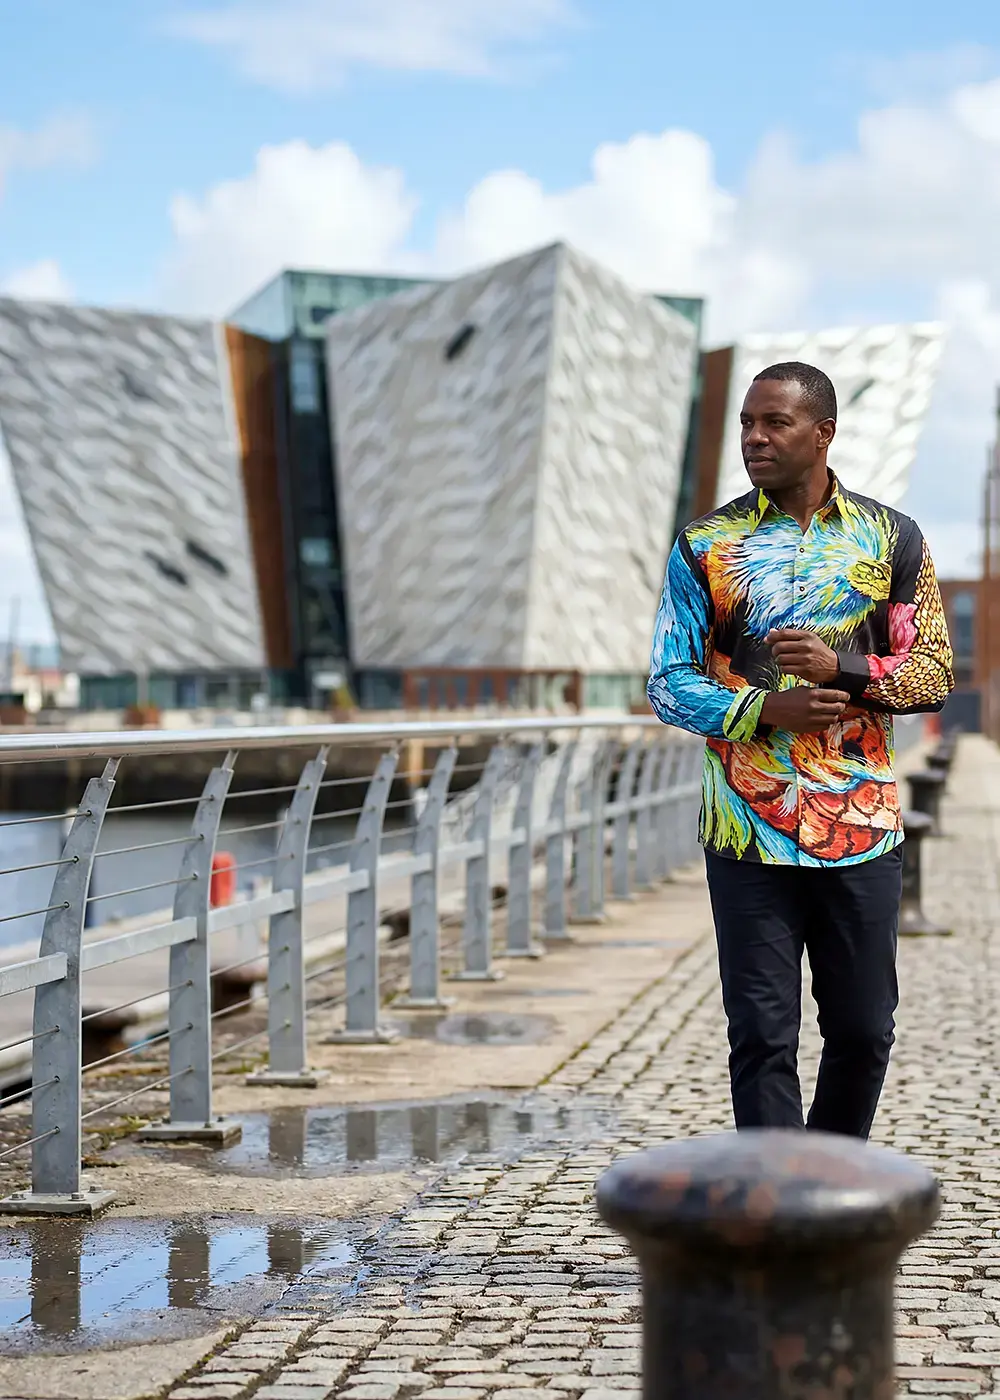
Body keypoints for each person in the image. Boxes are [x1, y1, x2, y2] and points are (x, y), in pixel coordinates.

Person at [647, 361, 953, 1138]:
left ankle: (834, 1177)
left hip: (862, 831)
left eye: (773, 423)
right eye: (747, 422)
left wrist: (843, 669)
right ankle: (778, 1215)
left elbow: (934, 673)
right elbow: (668, 682)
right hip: (744, 833)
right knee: (760, 1040)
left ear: (822, 434)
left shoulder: (892, 538)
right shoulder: (705, 546)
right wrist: (762, 709)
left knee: (862, 1033)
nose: (753, 437)